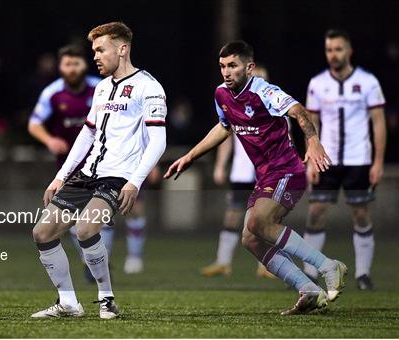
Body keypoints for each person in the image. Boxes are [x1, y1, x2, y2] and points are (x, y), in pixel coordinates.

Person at [165, 40, 347, 315]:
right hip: (266, 177)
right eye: (222, 66)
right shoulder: (221, 94)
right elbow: (224, 128)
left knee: (259, 221)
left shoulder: (264, 91)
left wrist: (313, 141)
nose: (226, 72)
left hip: (287, 170)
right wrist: (190, 156)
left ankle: (328, 266)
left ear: (249, 67)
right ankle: (308, 290)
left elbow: (299, 111)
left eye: (233, 66)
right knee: (250, 239)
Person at [30, 22, 167, 319]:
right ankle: (68, 303)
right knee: (42, 232)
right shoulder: (102, 88)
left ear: (122, 49)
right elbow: (87, 135)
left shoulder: (149, 87)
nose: (95, 56)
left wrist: (135, 182)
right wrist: (61, 176)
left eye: (100, 49)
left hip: (118, 177)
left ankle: (107, 300)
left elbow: (158, 140)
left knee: (86, 228)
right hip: (88, 173)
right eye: (94, 50)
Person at [304, 29, 386, 290]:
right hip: (325, 160)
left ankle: (363, 274)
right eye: (329, 50)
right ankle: (309, 273)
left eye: (338, 49)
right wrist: (310, 162)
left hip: (358, 159)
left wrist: (378, 162)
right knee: (316, 212)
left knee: (361, 213)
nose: (333, 55)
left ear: (349, 51)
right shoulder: (317, 84)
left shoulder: (368, 82)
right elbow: (310, 123)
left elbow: (378, 123)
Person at [27, 44, 115, 283]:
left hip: (103, 163)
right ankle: (92, 259)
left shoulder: (101, 88)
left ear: (84, 65)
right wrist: (49, 139)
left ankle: (98, 263)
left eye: (77, 63)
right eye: (68, 64)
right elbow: (34, 124)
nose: (72, 69)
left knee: (99, 218)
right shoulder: (52, 93)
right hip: (68, 165)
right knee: (71, 221)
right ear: (60, 67)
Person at [201, 65, 275, 279]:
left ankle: (267, 265)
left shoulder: (276, 107)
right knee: (232, 216)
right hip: (242, 172)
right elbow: (226, 135)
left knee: (265, 220)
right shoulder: (236, 106)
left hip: (266, 174)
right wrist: (220, 165)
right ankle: (223, 262)